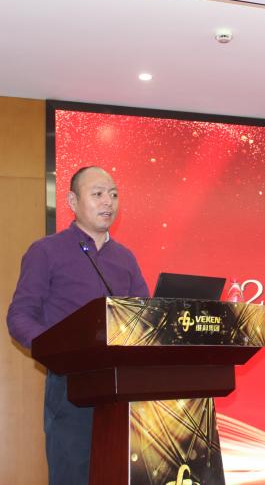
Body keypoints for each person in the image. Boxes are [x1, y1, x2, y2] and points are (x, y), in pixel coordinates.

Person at [7, 166, 149, 485]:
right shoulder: (46, 251)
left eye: (113, 194)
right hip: (71, 386)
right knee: (73, 475)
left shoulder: (125, 258)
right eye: (97, 194)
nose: (108, 202)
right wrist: (58, 352)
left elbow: (145, 318)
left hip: (122, 390)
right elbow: (20, 316)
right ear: (72, 200)